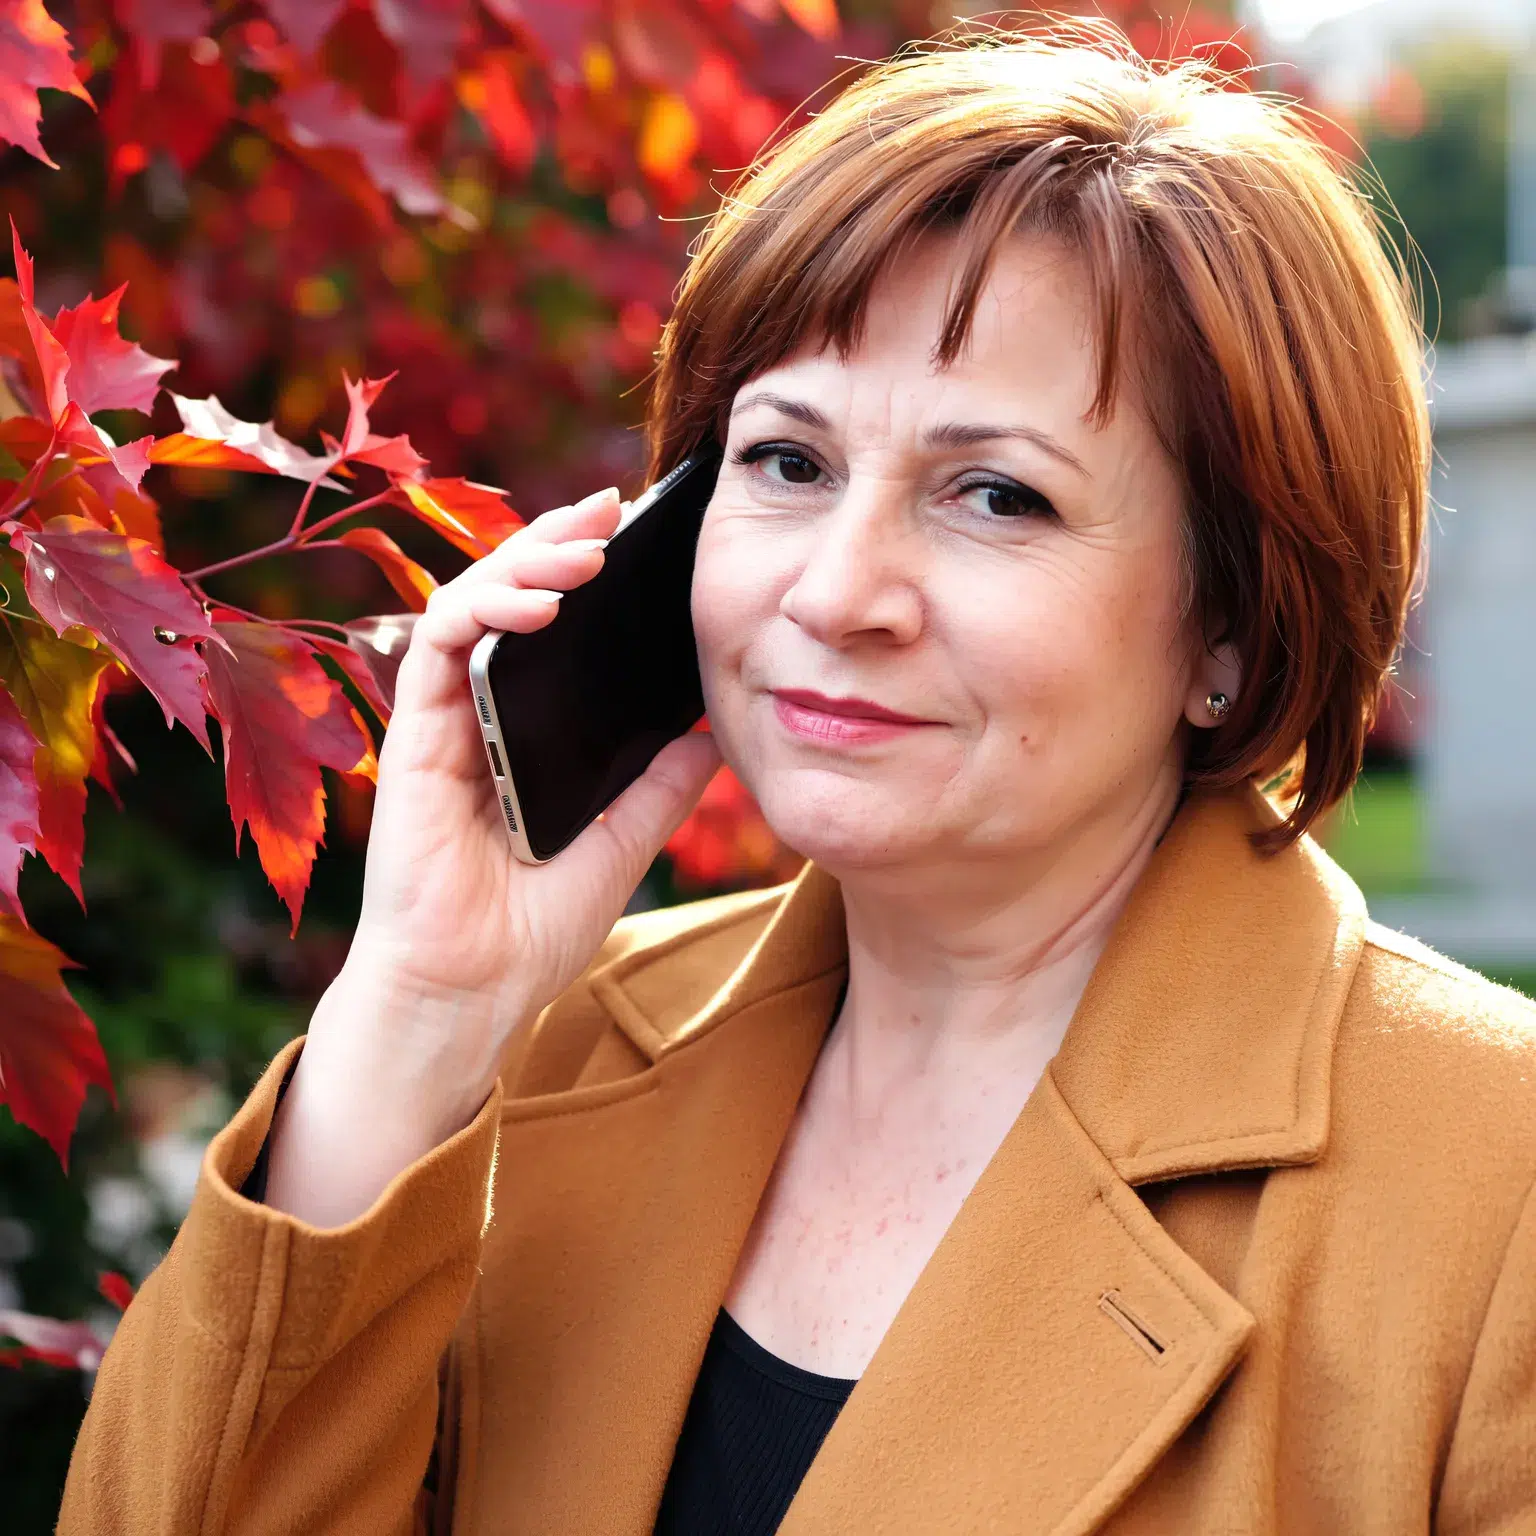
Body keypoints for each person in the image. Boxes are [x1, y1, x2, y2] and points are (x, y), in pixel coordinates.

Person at [60, 24, 1536, 1536]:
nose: (838, 594)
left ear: (1230, 619)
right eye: (786, 463)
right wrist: (416, 1021)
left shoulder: (1497, 1195)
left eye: (997, 494)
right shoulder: (545, 1062)